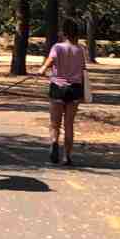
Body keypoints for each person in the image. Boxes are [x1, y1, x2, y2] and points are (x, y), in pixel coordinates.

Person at [37, 19, 86, 166]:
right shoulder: (80, 49)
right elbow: (83, 69)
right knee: (69, 124)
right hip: (75, 89)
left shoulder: (57, 47)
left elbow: (50, 60)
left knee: (54, 123)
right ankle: (67, 157)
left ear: (63, 32)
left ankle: (54, 143)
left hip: (58, 88)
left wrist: (42, 69)